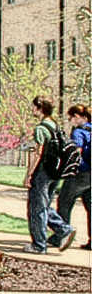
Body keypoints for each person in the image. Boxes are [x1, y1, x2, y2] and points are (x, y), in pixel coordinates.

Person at [23, 96, 75, 254]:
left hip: (43, 172)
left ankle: (39, 245)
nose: (32, 110)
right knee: (44, 205)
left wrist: (29, 174)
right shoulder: (55, 126)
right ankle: (63, 229)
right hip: (55, 172)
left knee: (36, 208)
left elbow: (38, 153)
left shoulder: (41, 128)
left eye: (34, 107)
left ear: (39, 109)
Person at [56, 104, 90, 251]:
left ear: (76, 117)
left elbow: (76, 151)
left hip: (80, 173)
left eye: (70, 118)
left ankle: (61, 236)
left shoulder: (78, 132)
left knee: (64, 201)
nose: (70, 121)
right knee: (90, 206)